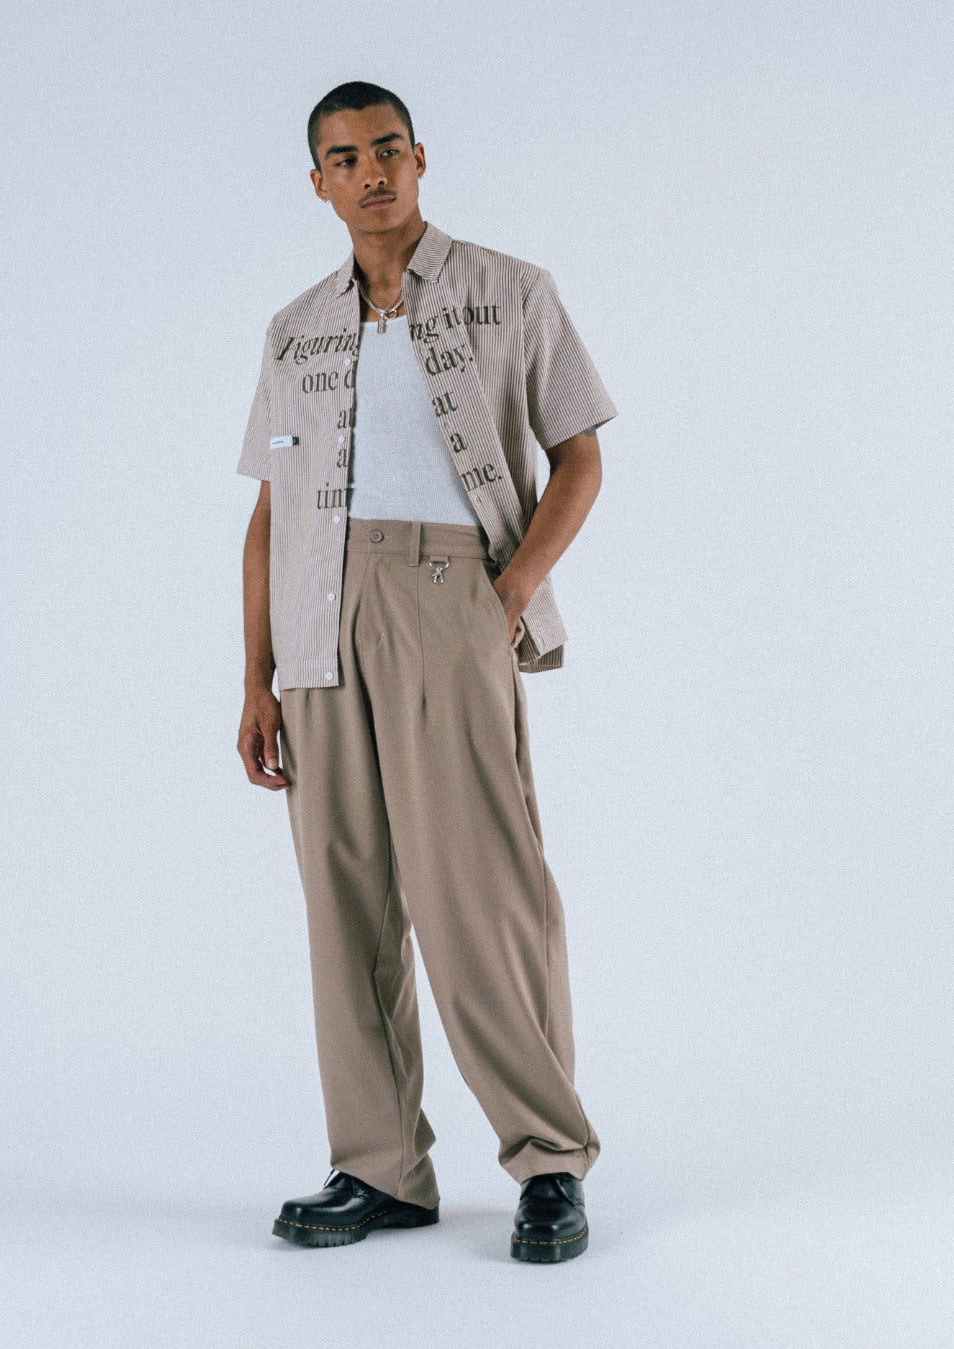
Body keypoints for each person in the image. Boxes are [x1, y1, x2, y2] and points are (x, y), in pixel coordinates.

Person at [236, 80, 618, 1263]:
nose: (371, 172)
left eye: (387, 149)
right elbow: (270, 511)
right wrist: (254, 676)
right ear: (317, 183)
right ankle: (378, 1165)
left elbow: (577, 458)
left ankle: (546, 1157)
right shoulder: (295, 327)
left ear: (418, 157)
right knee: (342, 894)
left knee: (479, 888)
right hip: (318, 612)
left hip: (454, 591)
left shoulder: (511, 291)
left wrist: (507, 591)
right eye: (345, 158)